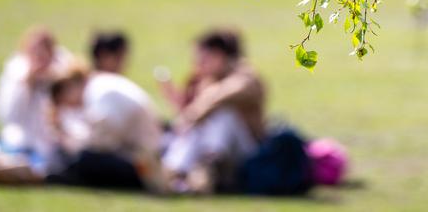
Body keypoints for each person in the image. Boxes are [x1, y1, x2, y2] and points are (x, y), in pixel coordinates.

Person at [160, 29, 266, 193]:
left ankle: (202, 169)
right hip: (218, 152)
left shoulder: (246, 76)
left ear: (218, 56)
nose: (198, 64)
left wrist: (193, 115)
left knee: (224, 115)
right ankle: (174, 172)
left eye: (202, 59)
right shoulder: (209, 80)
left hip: (248, 155)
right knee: (198, 125)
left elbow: (224, 94)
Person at [46, 61, 164, 190]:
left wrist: (70, 140)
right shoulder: (99, 84)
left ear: (69, 87)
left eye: (65, 100)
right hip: (138, 156)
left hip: (142, 165)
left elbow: (103, 143)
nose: (70, 106)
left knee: (85, 160)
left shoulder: (98, 92)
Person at [0, 27, 73, 175]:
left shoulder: (63, 73)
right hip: (23, 141)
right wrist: (27, 84)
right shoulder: (17, 72)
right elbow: (8, 115)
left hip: (54, 143)